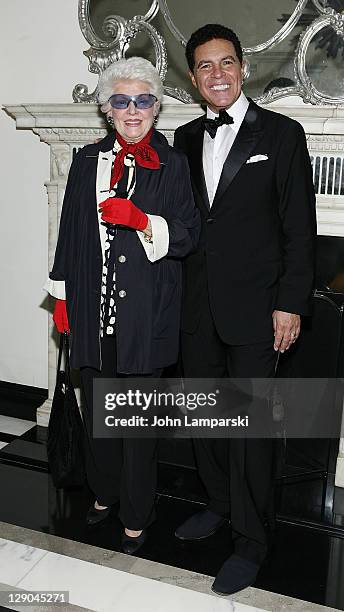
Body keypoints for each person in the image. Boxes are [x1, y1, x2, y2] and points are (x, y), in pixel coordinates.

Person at [173, 24, 316, 595]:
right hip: (194, 306)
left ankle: (252, 540)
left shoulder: (282, 134)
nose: (218, 74)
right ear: (193, 78)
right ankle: (219, 503)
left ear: (243, 67)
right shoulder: (183, 139)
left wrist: (290, 304)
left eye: (226, 62)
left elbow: (299, 232)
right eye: (205, 66)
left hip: (258, 311)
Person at [45, 56, 200, 555]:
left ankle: (136, 513)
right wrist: (64, 299)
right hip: (92, 314)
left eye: (143, 100)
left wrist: (141, 220)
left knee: (136, 426)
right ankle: (105, 493)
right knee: (100, 416)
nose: (132, 110)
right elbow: (70, 232)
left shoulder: (173, 164)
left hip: (145, 318)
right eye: (120, 100)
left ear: (156, 107)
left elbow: (189, 234)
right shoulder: (86, 159)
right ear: (107, 109)